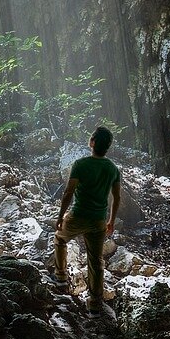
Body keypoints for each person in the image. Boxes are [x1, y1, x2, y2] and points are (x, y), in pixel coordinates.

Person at [55, 125, 121, 310]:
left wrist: (60, 216)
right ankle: (95, 303)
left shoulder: (81, 164)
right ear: (107, 147)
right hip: (98, 221)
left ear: (92, 142)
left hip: (77, 216)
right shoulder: (112, 169)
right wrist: (111, 221)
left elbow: (68, 192)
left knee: (60, 239)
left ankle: (60, 277)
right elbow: (117, 198)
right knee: (95, 260)